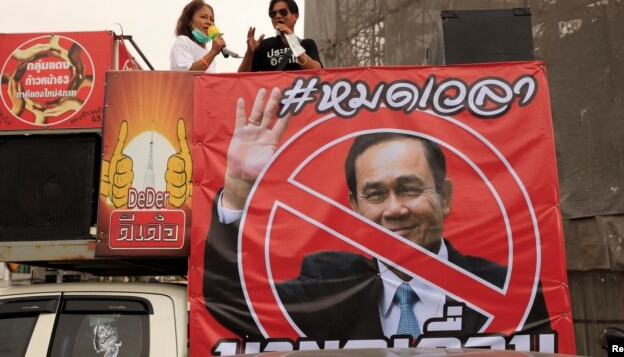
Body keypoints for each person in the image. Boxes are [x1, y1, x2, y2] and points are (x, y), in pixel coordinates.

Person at [203, 88, 550, 340]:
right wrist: (237, 188)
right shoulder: (326, 283)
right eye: (376, 194)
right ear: (354, 207)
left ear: (444, 197)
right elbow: (232, 303)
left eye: (410, 188)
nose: (395, 209)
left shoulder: (508, 289)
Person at [238, 0, 322, 72]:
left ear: (295, 16)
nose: (277, 16)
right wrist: (249, 52)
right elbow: (242, 78)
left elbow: (317, 72)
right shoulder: (264, 45)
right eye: (273, 14)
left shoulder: (307, 44)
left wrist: (293, 41)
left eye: (283, 12)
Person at [170, 0, 227, 72]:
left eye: (212, 19)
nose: (209, 22)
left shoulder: (209, 53)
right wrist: (213, 52)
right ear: (190, 22)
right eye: (203, 17)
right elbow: (187, 75)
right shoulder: (183, 41)